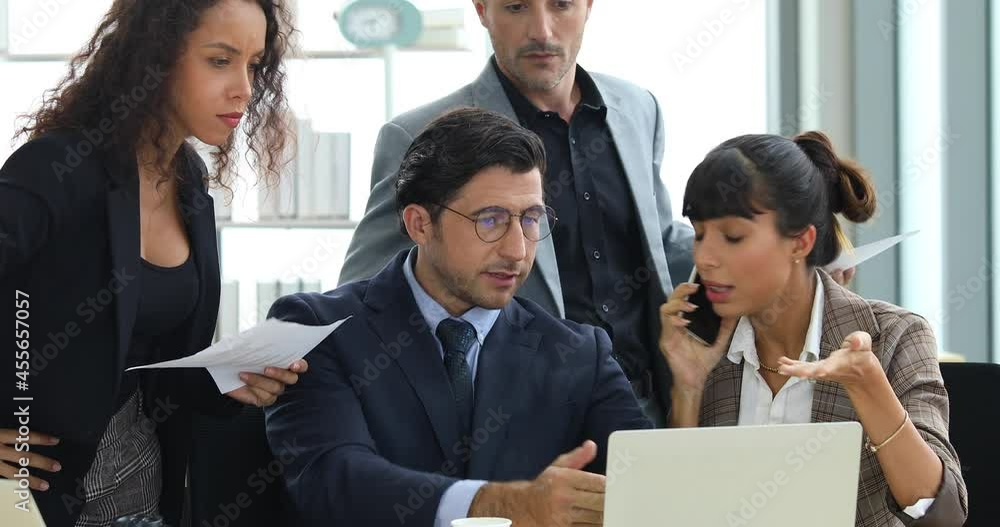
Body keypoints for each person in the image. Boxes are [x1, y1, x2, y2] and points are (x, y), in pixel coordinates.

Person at [264, 108, 652, 527]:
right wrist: (506, 504)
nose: (518, 251)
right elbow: (333, 482)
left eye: (530, 219)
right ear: (420, 224)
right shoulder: (317, 328)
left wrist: (688, 387)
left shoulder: (579, 354)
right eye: (491, 220)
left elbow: (655, 481)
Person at [0, 1, 307, 525]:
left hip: (140, 489)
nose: (244, 89)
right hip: (32, 496)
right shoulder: (56, 169)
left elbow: (149, 366)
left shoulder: (189, 183)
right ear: (155, 57)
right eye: (220, 60)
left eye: (254, 65)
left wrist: (227, 379)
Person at [338, 0, 696, 425]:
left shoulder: (638, 108)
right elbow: (364, 294)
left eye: (561, 5)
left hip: (647, 409)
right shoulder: (419, 134)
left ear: (588, 6)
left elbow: (661, 242)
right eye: (516, 7)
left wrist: (758, 243)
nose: (541, 31)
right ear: (482, 10)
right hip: (509, 426)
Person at [660, 131, 968, 526]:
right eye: (700, 234)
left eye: (732, 237)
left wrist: (870, 388)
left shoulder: (895, 336)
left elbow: (944, 516)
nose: (705, 258)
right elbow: (680, 510)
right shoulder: (705, 351)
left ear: (800, 242)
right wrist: (687, 388)